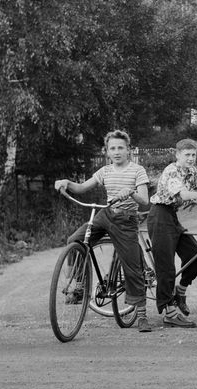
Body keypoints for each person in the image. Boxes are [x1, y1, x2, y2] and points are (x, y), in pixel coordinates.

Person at [53, 130, 152, 332]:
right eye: (112, 148)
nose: (116, 152)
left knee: (132, 266)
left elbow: (145, 200)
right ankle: (79, 285)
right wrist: (66, 183)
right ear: (107, 152)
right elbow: (81, 188)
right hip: (105, 215)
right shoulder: (105, 171)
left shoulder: (137, 170)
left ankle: (141, 313)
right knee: (75, 240)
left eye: (120, 148)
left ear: (128, 150)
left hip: (126, 219)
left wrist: (131, 193)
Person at [147, 138, 197, 328]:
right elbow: (183, 195)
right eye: (187, 155)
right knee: (166, 266)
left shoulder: (192, 171)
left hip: (172, 217)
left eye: (194, 155)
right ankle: (169, 311)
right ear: (177, 155)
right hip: (159, 216)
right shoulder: (172, 170)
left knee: (196, 254)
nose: (191, 158)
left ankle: (180, 292)